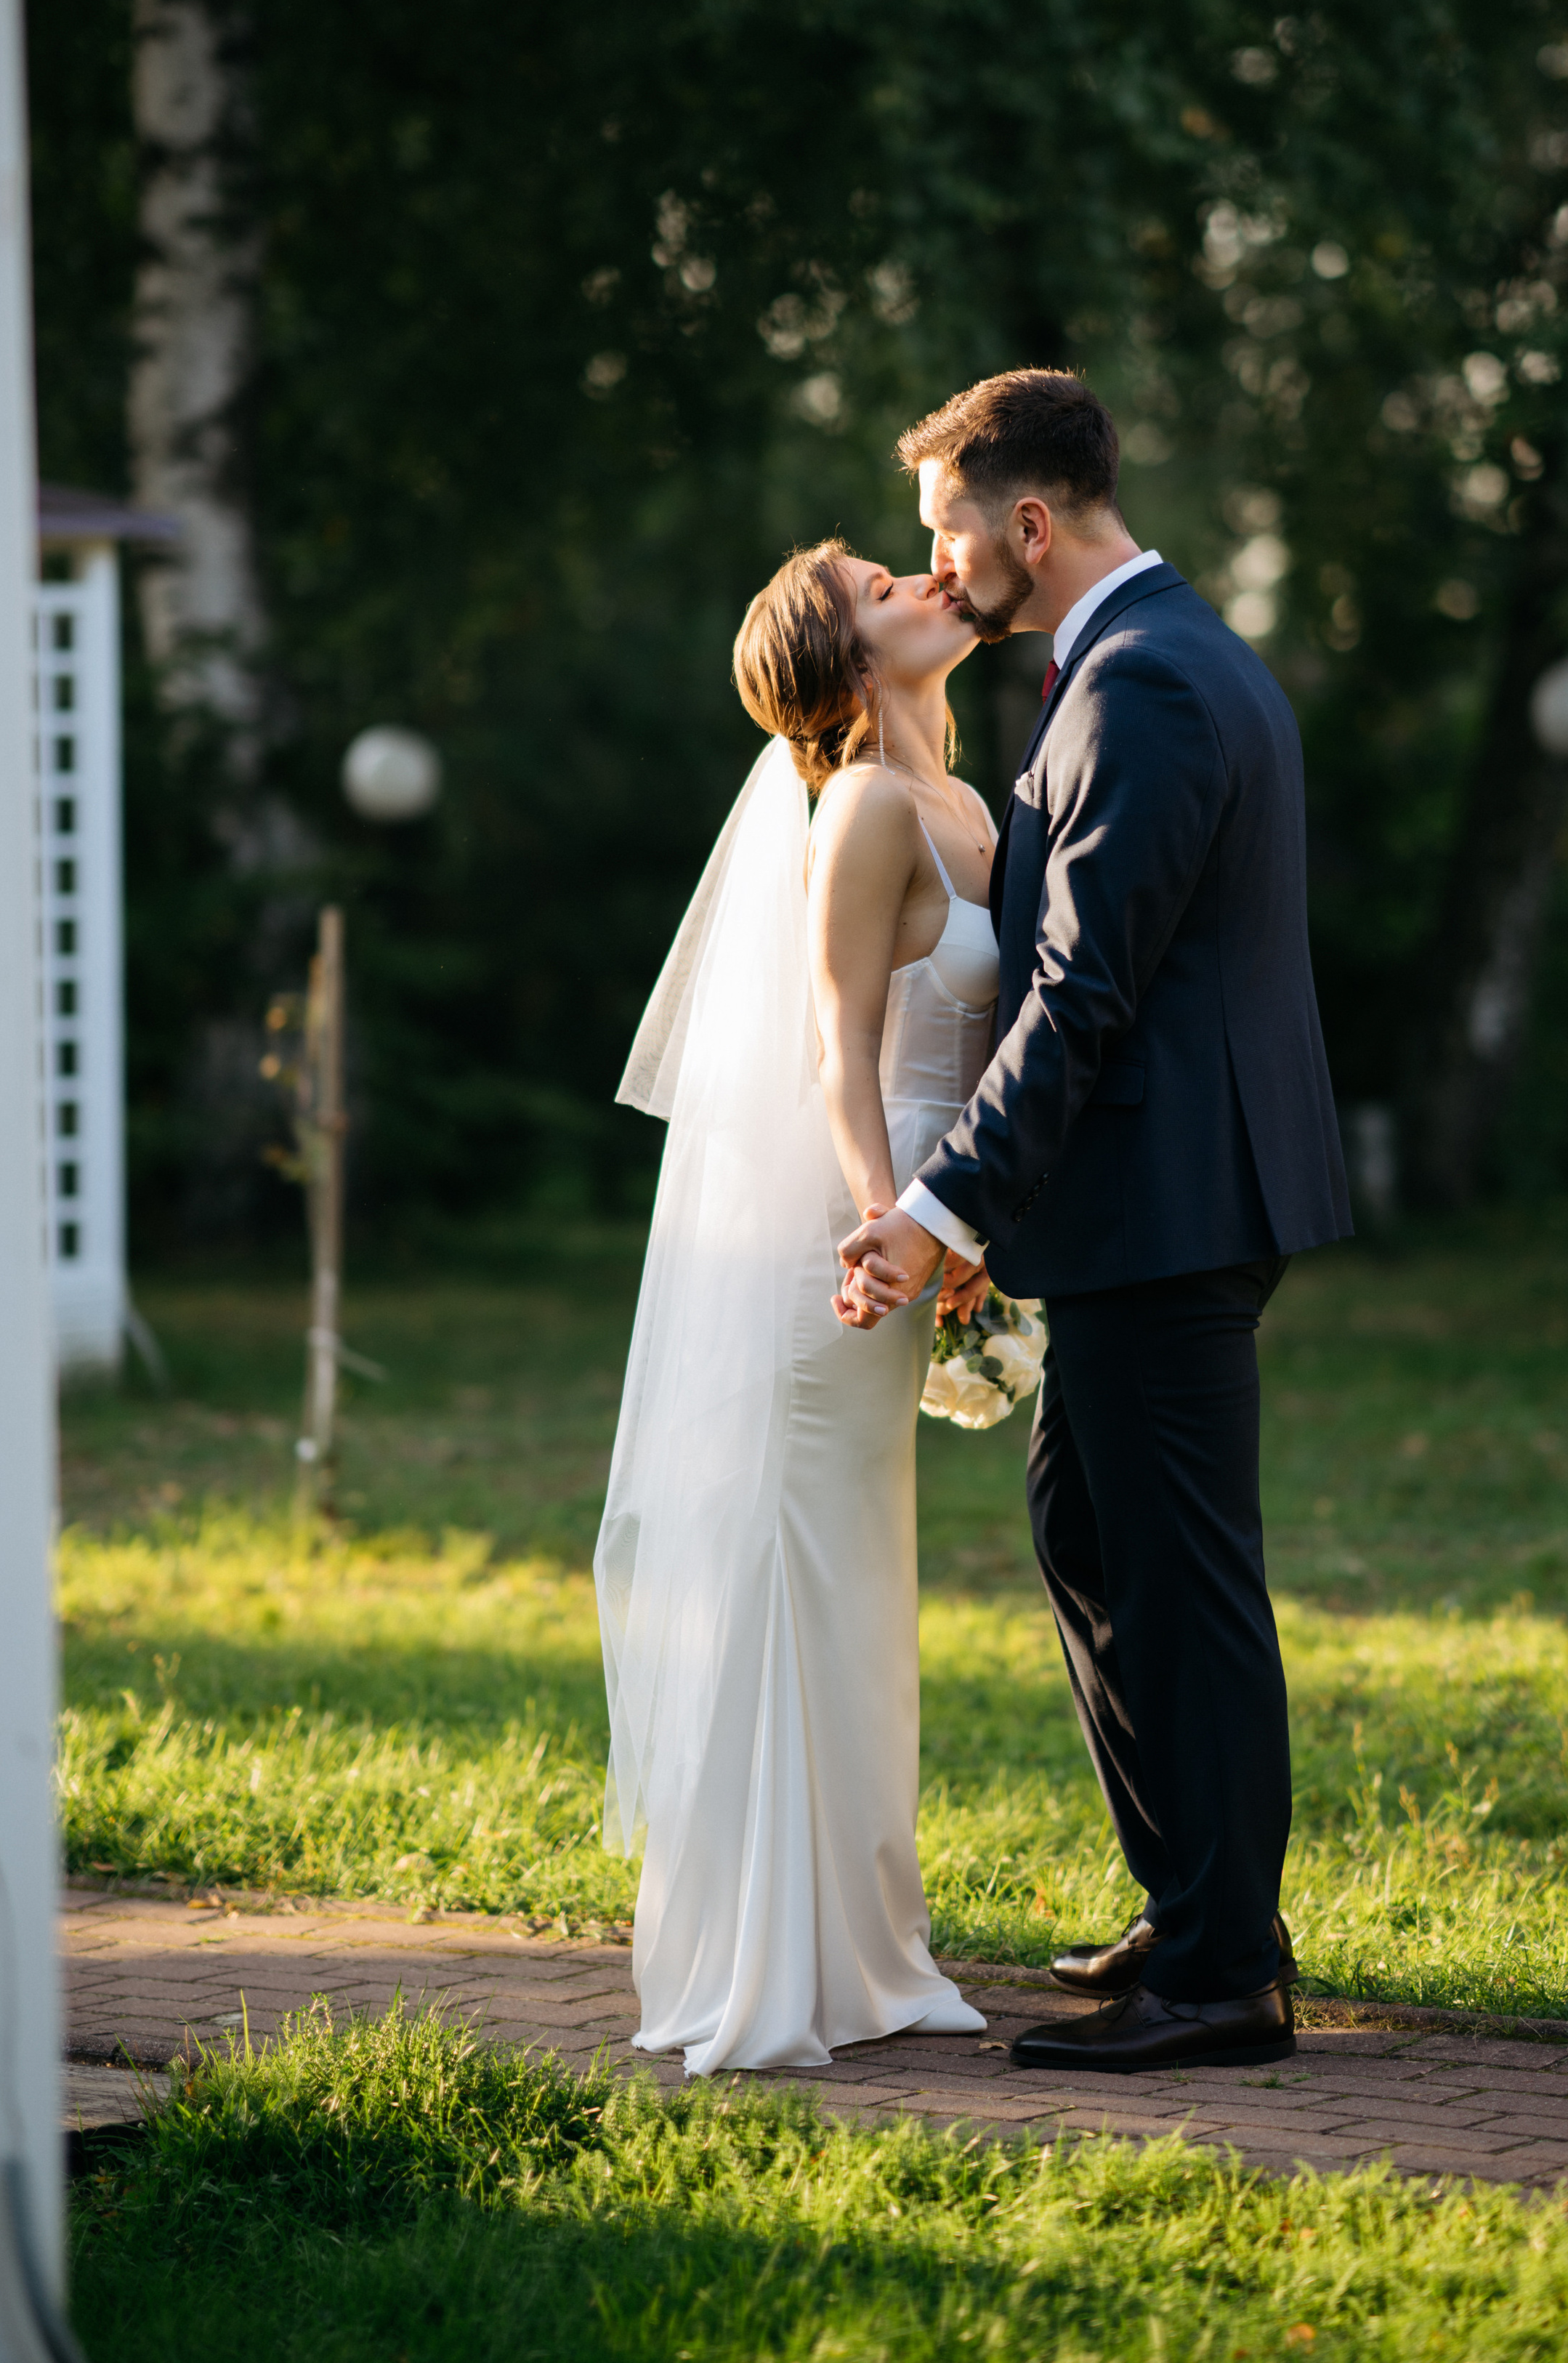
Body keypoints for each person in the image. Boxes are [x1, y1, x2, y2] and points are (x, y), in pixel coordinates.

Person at [838, 368, 1352, 2075]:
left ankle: (1223, 1974)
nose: (941, 564)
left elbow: (1082, 997)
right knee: (1091, 1534)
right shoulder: (1147, 663)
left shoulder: (1142, 685)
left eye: (946, 533)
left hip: (1171, 1199)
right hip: (1157, 1196)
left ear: (1027, 525)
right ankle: (1196, 1906)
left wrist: (934, 1209)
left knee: (1183, 1581)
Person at [595, 541, 996, 2074]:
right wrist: (890, 1218)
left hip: (912, 1239)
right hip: (834, 1254)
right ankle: (768, 1962)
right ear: (843, 658)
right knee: (792, 1576)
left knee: (860, 1592)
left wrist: (967, 1227)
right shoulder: (866, 808)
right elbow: (839, 1049)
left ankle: (871, 1952)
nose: (923, 575)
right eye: (882, 577)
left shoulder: (966, 798)